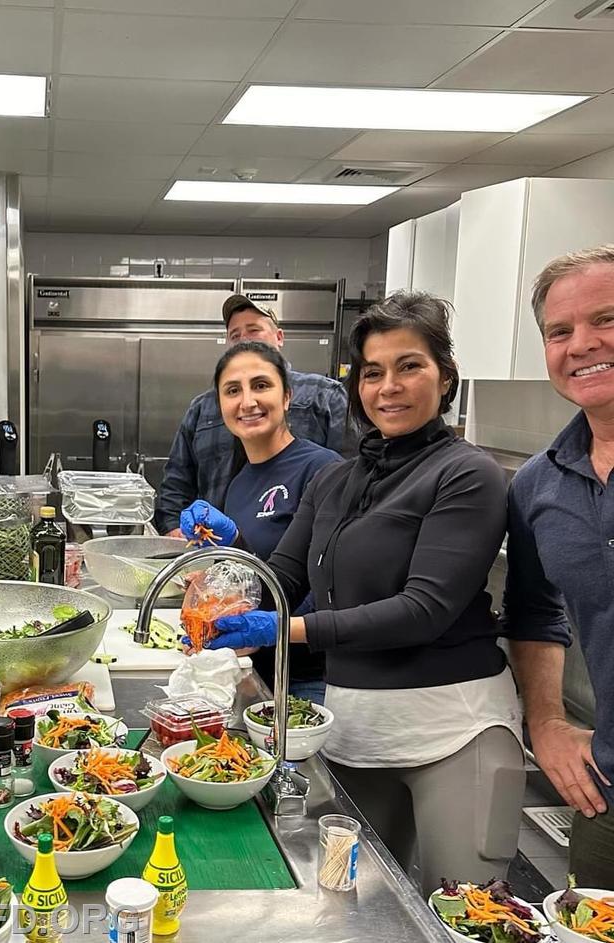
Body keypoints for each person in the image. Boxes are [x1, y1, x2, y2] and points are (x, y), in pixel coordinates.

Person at [204, 291, 523, 894]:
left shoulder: (466, 473)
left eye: (410, 367)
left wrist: (285, 629)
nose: (389, 387)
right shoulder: (335, 480)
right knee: (355, 908)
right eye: (373, 372)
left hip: (453, 733)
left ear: (445, 377)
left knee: (470, 912)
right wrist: (225, 589)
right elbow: (283, 578)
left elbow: (422, 610)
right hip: (353, 731)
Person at [504, 245, 614, 887]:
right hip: (607, 793)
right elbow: (533, 610)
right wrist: (544, 721)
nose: (583, 344)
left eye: (606, 319)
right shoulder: (540, 485)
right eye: (560, 331)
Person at [177, 341, 341, 702]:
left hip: (307, 679)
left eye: (261, 385)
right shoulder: (240, 482)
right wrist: (214, 588)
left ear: (287, 398)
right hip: (253, 670)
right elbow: (258, 581)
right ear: (221, 406)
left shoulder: (323, 469)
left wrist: (265, 627)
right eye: (233, 390)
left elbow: (329, 590)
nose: (247, 401)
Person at [156, 293, 349, 534]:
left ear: (287, 396)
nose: (248, 403)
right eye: (235, 335)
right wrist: (175, 530)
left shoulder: (324, 396)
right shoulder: (202, 410)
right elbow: (176, 484)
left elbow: (352, 482)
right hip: (220, 556)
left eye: (254, 330)